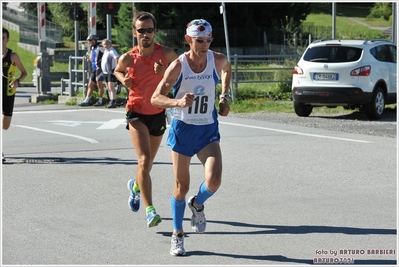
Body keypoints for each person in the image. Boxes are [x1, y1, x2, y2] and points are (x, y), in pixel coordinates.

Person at [151, 19, 232, 256]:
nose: (205, 45)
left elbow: (227, 69)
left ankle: (197, 205)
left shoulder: (216, 59)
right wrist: (177, 101)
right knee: (181, 186)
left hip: (207, 130)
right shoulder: (178, 66)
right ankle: (177, 235)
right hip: (183, 129)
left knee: (214, 180)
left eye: (208, 40)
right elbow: (156, 98)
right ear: (188, 40)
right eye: (200, 41)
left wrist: (225, 96)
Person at [113, 11, 178, 228]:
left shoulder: (167, 54)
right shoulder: (128, 57)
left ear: (155, 32)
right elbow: (117, 70)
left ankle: (135, 187)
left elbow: (180, 74)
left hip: (158, 112)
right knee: (143, 160)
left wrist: (165, 72)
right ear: (135, 33)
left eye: (149, 30)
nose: (146, 34)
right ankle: (150, 210)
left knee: (147, 164)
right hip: (136, 112)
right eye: (141, 30)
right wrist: (125, 80)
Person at [2, 27, 28, 163]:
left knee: (5, 126)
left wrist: (18, 81)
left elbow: (24, 73)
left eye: (3, 38)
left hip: (8, 92)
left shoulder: (12, 56)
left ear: (7, 40)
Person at [79, 34, 105, 107]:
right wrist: (90, 57)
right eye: (89, 41)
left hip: (99, 68)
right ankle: (86, 100)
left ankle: (100, 100)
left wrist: (102, 59)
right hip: (94, 68)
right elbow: (92, 56)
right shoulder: (92, 48)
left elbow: (106, 53)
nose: (89, 42)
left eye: (90, 40)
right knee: (90, 84)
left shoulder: (100, 47)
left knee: (99, 84)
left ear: (95, 40)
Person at [101, 39, 119, 108]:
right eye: (104, 44)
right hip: (105, 72)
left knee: (111, 87)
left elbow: (117, 58)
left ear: (110, 44)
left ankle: (113, 101)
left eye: (107, 44)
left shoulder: (112, 51)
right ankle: (110, 100)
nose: (106, 45)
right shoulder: (105, 51)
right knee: (108, 88)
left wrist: (116, 68)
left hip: (110, 72)